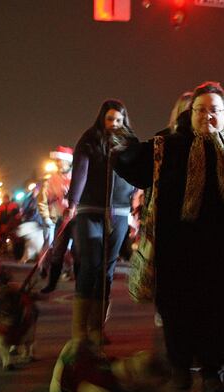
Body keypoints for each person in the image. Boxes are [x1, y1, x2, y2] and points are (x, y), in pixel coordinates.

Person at [114, 82, 224, 392]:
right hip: (178, 249)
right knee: (178, 312)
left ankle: (213, 372)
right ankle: (179, 366)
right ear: (190, 114)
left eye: (214, 110)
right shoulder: (167, 146)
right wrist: (122, 143)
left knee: (221, 314)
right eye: (201, 110)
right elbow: (133, 166)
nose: (207, 116)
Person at [67, 100, 135, 346]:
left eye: (118, 120)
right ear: (101, 119)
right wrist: (72, 201)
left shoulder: (129, 143)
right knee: (90, 266)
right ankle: (79, 332)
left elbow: (138, 175)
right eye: (110, 119)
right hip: (90, 209)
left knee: (107, 270)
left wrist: (138, 203)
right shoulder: (89, 140)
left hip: (119, 212)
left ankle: (97, 328)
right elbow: (80, 171)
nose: (114, 125)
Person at [38, 146, 73, 293]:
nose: (59, 164)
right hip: (59, 219)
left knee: (78, 252)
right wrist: (46, 216)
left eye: (61, 161)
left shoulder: (78, 175)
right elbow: (43, 199)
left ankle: (80, 285)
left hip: (77, 219)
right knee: (57, 251)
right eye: (58, 161)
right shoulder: (51, 180)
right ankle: (51, 283)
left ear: (68, 162)